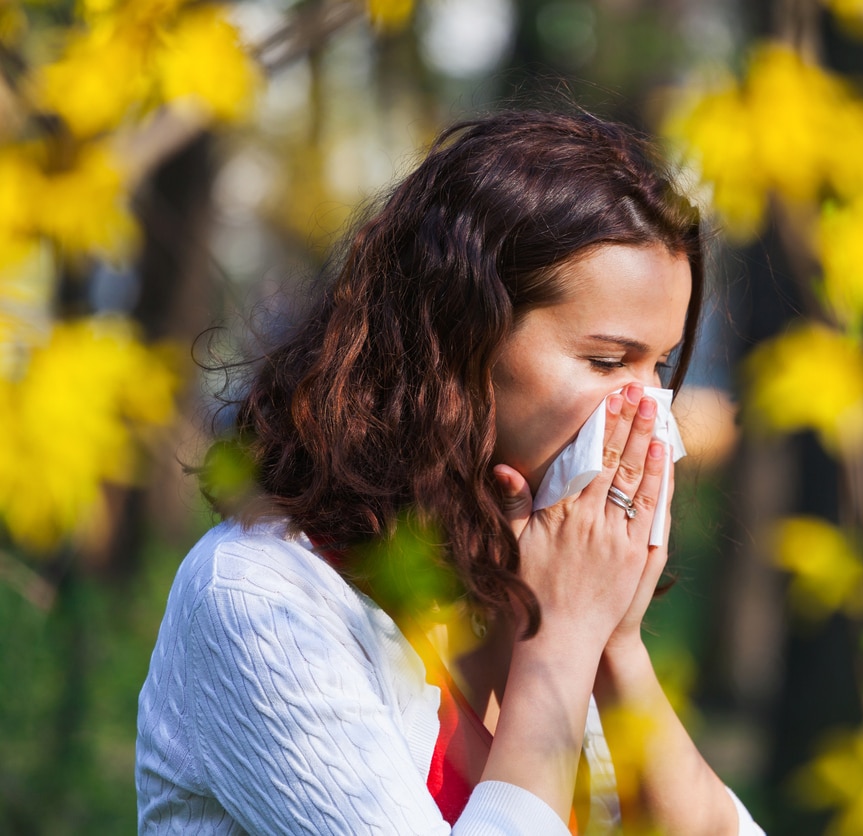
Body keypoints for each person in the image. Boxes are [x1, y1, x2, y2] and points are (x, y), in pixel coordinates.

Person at [136, 109, 764, 834]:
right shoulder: (261, 598)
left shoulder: (520, 583)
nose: (648, 409)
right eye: (607, 361)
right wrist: (559, 644)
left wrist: (614, 644)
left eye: (661, 365)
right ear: (460, 341)